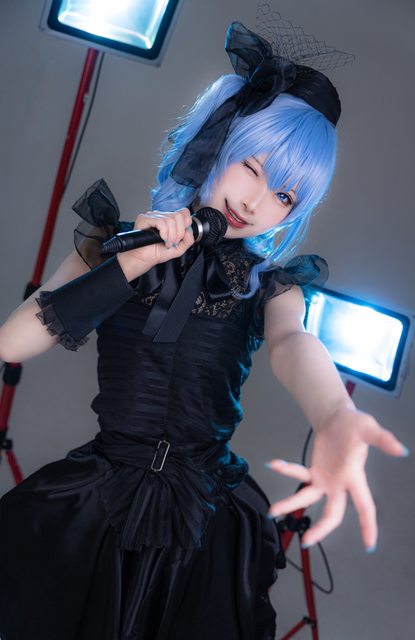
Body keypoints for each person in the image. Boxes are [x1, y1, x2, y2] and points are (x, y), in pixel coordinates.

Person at [0, 17, 408, 640]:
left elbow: (291, 343)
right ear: (217, 139)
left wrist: (335, 415)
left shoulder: (271, 284)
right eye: (252, 167)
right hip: (99, 499)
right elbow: (13, 342)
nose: (254, 203)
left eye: (285, 197)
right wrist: (132, 262)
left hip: (206, 525)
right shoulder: (114, 243)